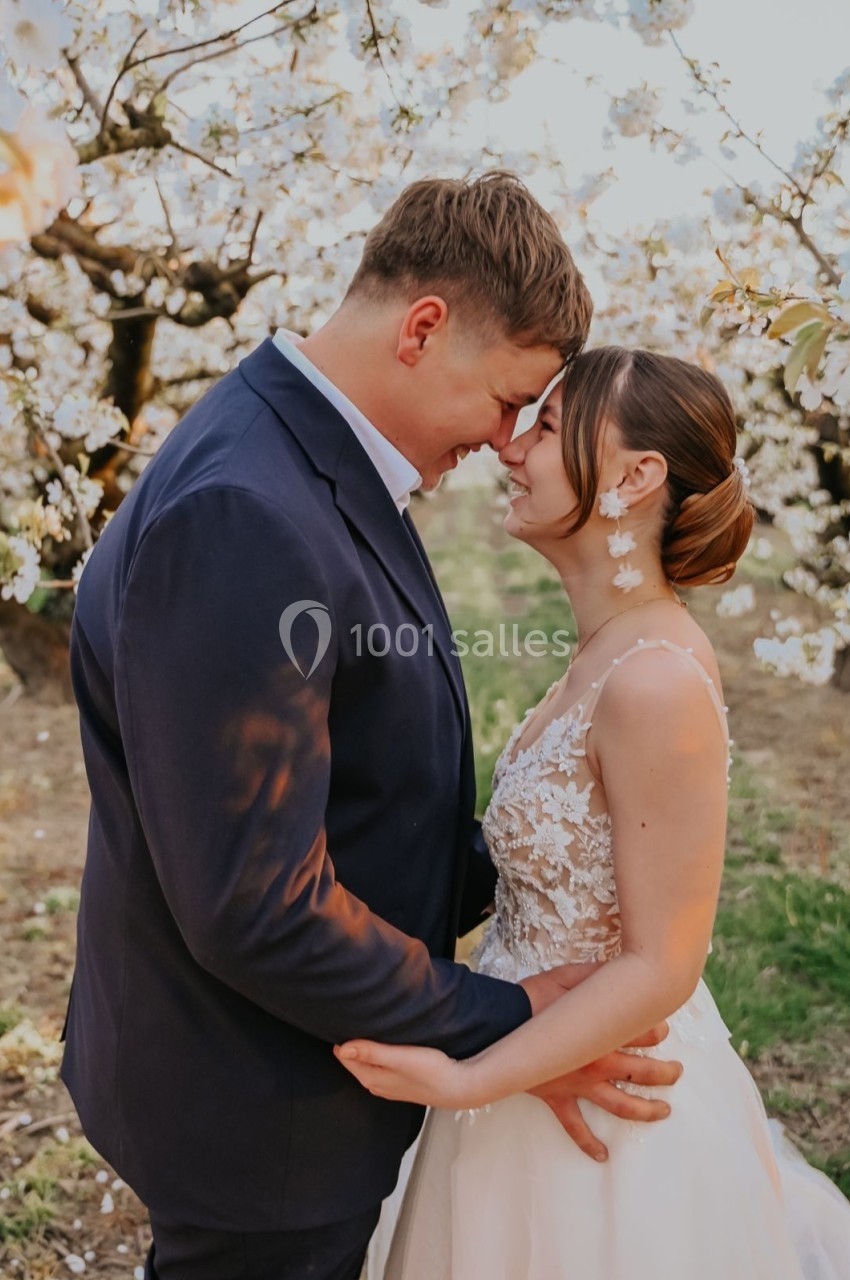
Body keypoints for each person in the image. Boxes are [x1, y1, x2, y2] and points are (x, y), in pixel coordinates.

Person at [59, 177, 684, 1280]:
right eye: (507, 400)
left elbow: (351, 781)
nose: (507, 442)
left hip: (284, 1074)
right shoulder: (247, 509)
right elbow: (256, 907)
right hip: (260, 1108)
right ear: (424, 327)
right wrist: (503, 1018)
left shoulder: (300, 456)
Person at [337, 347, 850, 1279]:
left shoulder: (653, 681)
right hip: (525, 1063)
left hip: (608, 1119)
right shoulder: (602, 656)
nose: (510, 447)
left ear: (633, 476)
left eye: (545, 425)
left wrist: (468, 1079)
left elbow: (663, 961)